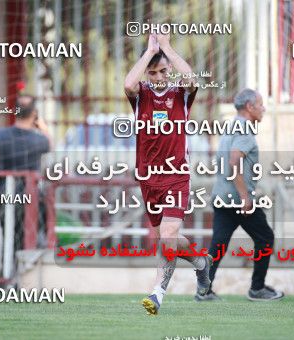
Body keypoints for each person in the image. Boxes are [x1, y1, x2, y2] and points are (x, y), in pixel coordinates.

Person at [124, 33, 212, 315]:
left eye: (163, 71)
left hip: (176, 175)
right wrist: (149, 53)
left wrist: (168, 48)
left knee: (169, 233)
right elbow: (128, 83)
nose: (159, 77)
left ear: (169, 70)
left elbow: (191, 79)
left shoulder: (180, 95)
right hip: (149, 178)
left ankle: (157, 293)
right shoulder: (142, 97)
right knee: (169, 237)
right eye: (153, 72)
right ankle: (201, 261)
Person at [199, 88, 284, 302]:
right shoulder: (245, 129)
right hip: (238, 200)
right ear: (249, 107)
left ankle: (203, 290)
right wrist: (245, 197)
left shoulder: (231, 126)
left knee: (218, 244)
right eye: (261, 104)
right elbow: (234, 162)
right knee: (265, 238)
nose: (263, 109)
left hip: (222, 197)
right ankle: (257, 289)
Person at [0, 95, 51, 252]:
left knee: (9, 238)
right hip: (30, 197)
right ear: (34, 114)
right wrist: (43, 127)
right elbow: (50, 144)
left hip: (5, 194)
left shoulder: (0, 136)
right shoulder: (40, 140)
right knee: (29, 240)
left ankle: (8, 272)